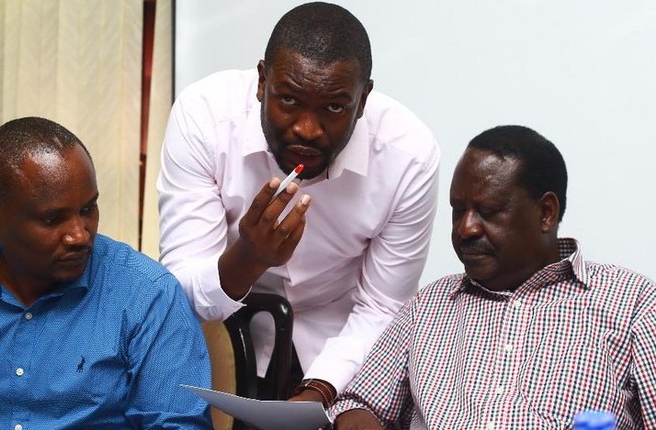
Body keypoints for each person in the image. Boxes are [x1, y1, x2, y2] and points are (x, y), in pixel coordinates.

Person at [157, 1, 440, 405]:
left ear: (363, 102)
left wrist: (321, 390)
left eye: (334, 108)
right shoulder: (203, 117)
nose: (307, 129)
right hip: (219, 339)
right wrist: (250, 257)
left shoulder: (408, 156)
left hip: (345, 351)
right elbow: (180, 292)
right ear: (261, 82)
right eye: (288, 100)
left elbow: (383, 306)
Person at [0, 117, 213, 429]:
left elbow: (179, 426)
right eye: (52, 219)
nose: (79, 235)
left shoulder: (147, 295)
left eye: (88, 209)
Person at [330, 125, 656, 429]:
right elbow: (360, 402)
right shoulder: (428, 306)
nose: (465, 228)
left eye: (487, 212)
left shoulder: (633, 304)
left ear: (546, 213)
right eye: (458, 210)